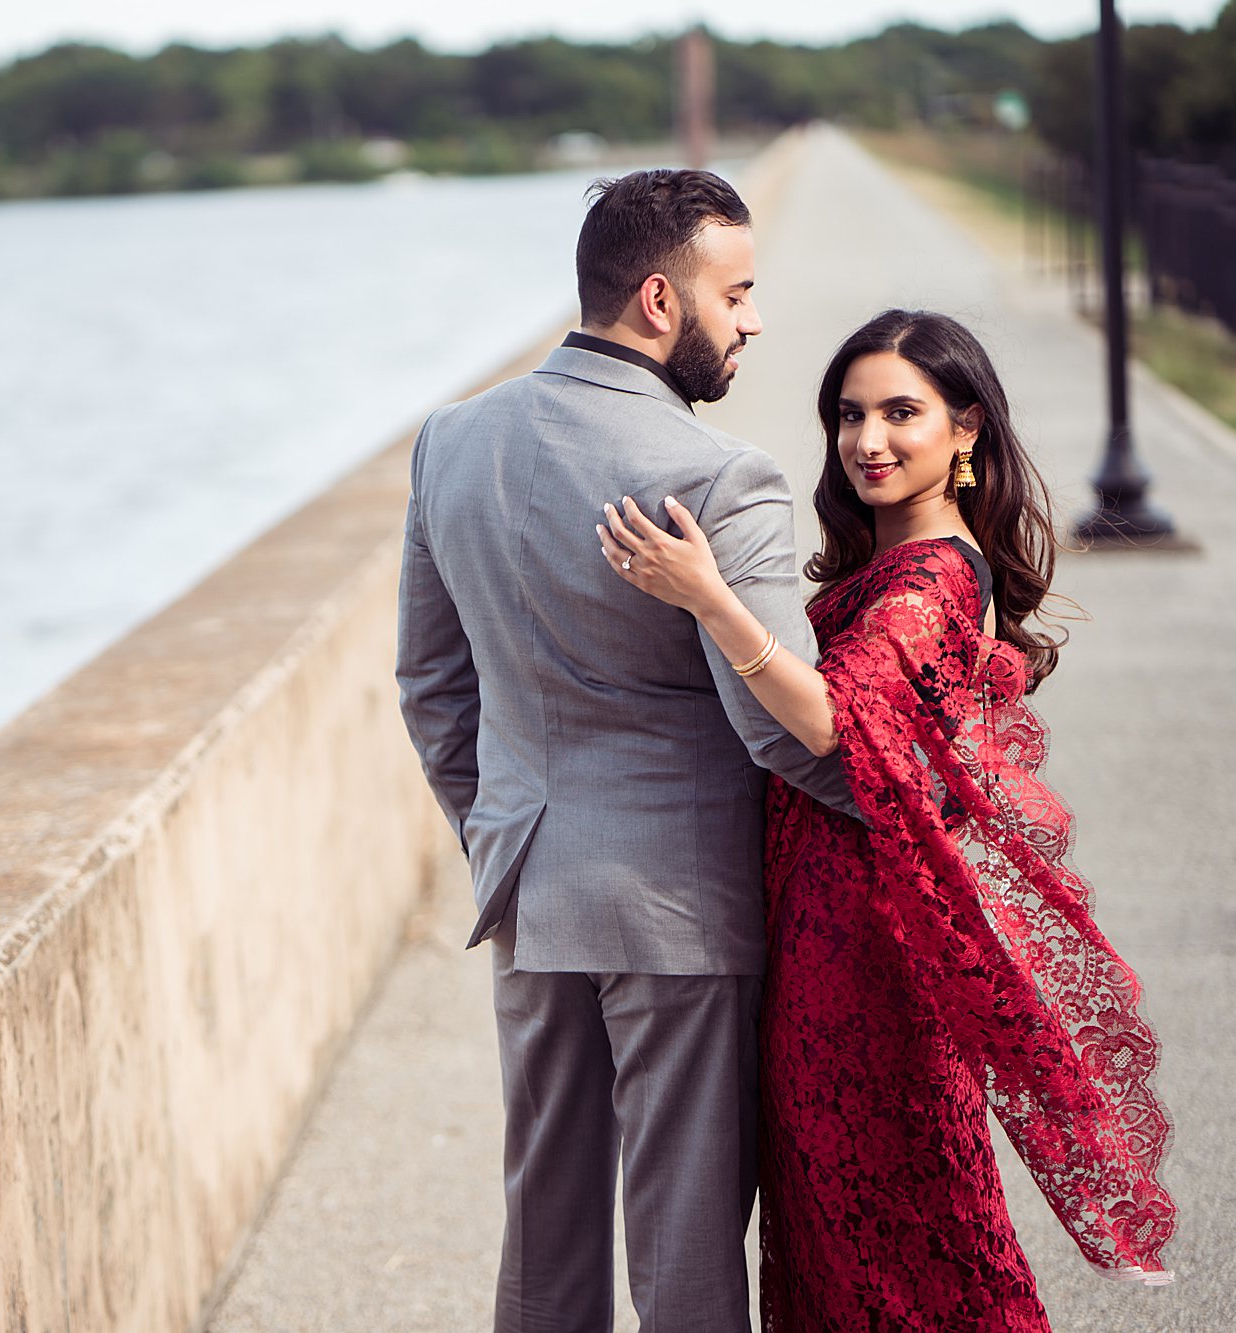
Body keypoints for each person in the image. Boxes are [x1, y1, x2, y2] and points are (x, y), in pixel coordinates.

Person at [599, 307, 1177, 1328]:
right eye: (847, 414)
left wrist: (707, 597)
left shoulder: (931, 576)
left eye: (900, 412)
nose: (866, 440)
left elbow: (827, 720)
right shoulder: (901, 561)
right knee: (867, 1236)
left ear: (964, 430)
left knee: (899, 1244)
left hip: (861, 956)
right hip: (835, 927)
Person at [395, 168, 859, 1330]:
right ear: (660, 301)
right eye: (737, 293)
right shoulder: (720, 477)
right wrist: (903, 794)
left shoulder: (452, 441)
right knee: (685, 1243)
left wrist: (506, 830)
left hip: (528, 885)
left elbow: (431, 688)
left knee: (542, 1238)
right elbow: (774, 726)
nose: (751, 320)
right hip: (678, 912)